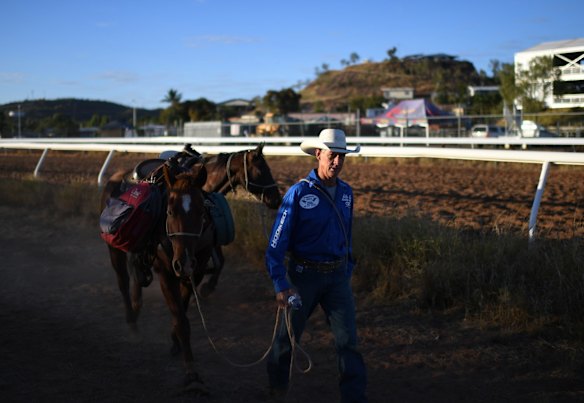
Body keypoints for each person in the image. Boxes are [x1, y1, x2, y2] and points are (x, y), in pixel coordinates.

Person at [265, 128, 367, 402]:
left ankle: (354, 398)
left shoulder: (346, 193)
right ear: (318, 154)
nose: (337, 162)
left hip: (336, 279)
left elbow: (347, 233)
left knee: (348, 342)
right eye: (333, 156)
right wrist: (281, 284)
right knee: (286, 339)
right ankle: (276, 391)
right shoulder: (298, 193)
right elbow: (276, 244)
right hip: (302, 278)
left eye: (342, 157)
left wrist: (346, 268)